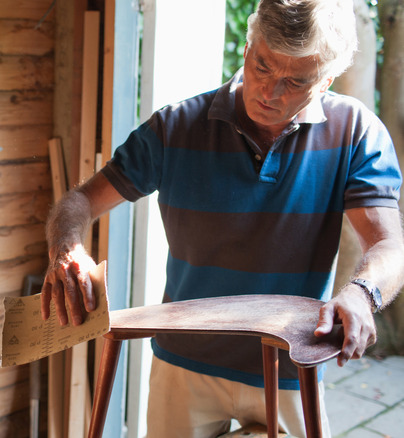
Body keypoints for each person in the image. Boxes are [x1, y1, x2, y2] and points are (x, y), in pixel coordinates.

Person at [40, 0, 404, 436]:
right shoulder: (175, 127)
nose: (270, 92)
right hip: (184, 362)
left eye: (295, 81)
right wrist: (68, 248)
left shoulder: (356, 131)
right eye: (263, 66)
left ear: (325, 81)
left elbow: (388, 244)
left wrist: (363, 293)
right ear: (248, 48)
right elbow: (80, 201)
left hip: (290, 361)